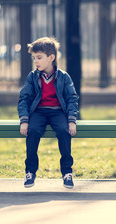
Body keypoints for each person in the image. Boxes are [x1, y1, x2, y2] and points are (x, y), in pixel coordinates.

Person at [18, 37, 79, 189]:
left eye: (39, 57)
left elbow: (72, 98)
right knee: (33, 132)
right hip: (38, 112)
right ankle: (30, 171)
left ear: (51, 57)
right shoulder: (33, 77)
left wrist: (71, 120)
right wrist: (24, 120)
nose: (36, 61)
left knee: (64, 132)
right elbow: (24, 98)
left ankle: (67, 172)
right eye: (34, 58)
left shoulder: (63, 77)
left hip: (57, 112)